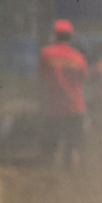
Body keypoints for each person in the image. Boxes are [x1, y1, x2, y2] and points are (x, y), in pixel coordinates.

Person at [38, 19, 89, 168]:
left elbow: (43, 75)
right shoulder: (78, 57)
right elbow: (83, 76)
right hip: (76, 107)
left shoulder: (46, 54)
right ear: (70, 36)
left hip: (54, 108)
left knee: (49, 146)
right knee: (73, 146)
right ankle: (72, 180)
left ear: (55, 35)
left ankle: (47, 176)